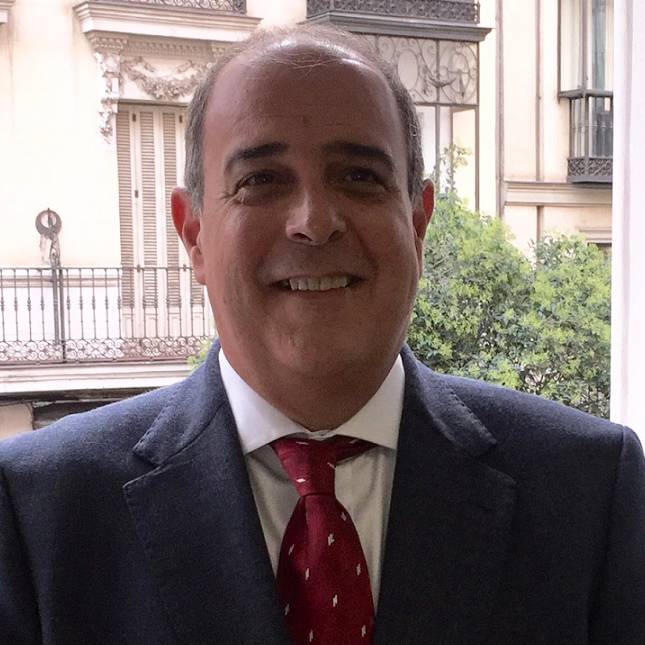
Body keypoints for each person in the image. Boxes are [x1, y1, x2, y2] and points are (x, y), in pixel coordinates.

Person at [1, 24, 644, 645]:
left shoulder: (589, 492)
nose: (313, 221)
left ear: (418, 224)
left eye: (360, 176)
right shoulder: (38, 513)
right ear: (193, 234)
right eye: (261, 180)